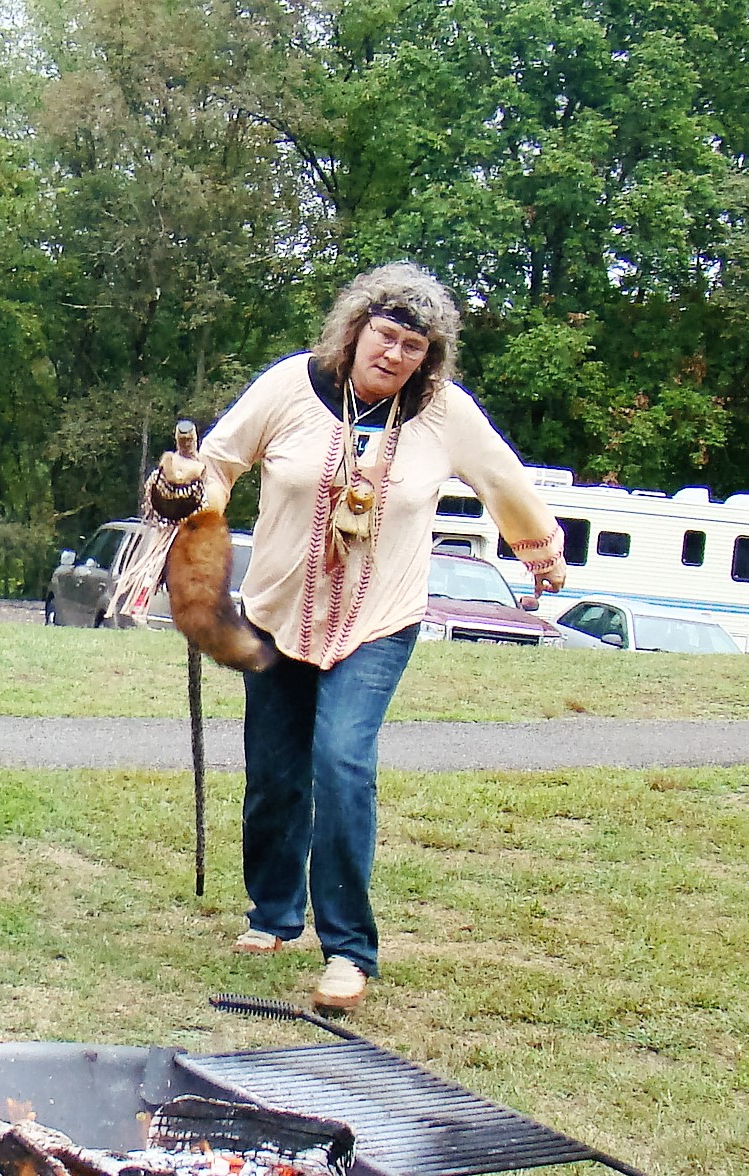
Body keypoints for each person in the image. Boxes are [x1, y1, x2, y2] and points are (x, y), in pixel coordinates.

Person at [192, 263, 566, 1008]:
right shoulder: (290, 385)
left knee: (341, 762)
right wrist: (191, 497)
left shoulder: (444, 413)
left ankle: (348, 951)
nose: (394, 355)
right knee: (275, 773)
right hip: (277, 611)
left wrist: (541, 550)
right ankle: (273, 913)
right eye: (385, 336)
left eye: (413, 347)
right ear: (355, 330)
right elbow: (220, 459)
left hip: (378, 619)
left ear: (429, 358)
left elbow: (503, 480)